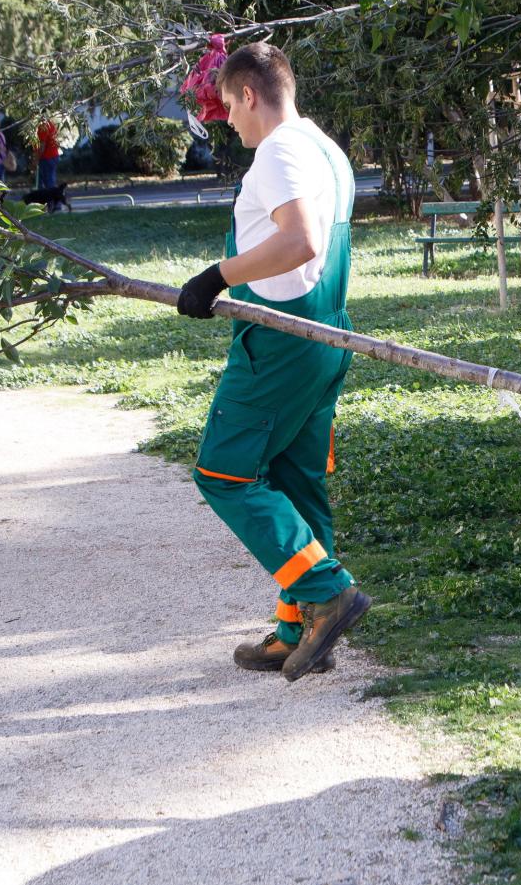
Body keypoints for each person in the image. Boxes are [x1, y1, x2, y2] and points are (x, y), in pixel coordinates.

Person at [175, 41, 366, 681]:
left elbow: (299, 240)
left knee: (224, 474)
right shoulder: (325, 150)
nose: (228, 119)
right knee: (295, 478)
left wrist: (216, 276)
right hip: (325, 335)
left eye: (229, 105)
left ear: (251, 94)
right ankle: (298, 629)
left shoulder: (280, 150)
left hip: (280, 342)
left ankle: (327, 591)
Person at [36, 117, 62, 190]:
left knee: (47, 182)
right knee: (50, 180)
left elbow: (42, 146)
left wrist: (36, 159)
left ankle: (49, 200)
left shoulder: (43, 126)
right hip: (53, 156)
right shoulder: (50, 124)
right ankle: (50, 199)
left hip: (46, 157)